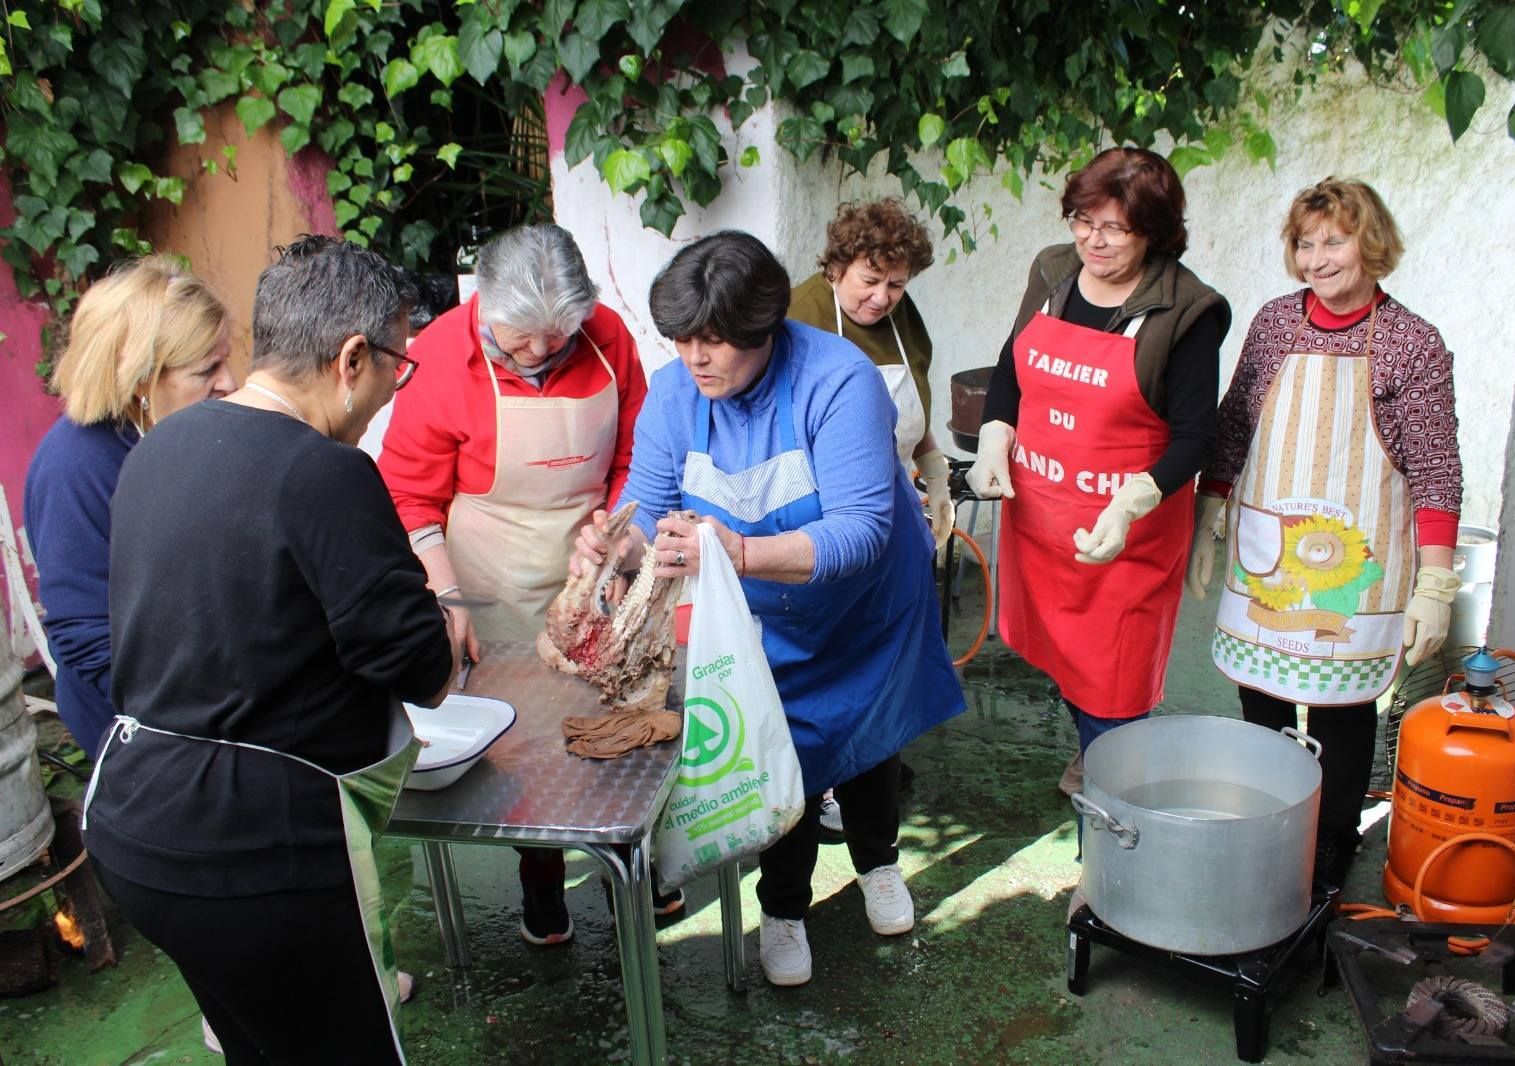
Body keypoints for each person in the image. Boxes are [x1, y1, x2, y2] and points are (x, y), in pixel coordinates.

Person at [83, 236, 459, 1064]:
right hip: (255, 851)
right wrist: (444, 623)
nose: (395, 388)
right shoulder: (325, 472)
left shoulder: (157, 448)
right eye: (399, 363)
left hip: (133, 821)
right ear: (352, 358)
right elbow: (423, 671)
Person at [572, 231, 965, 988]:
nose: (695, 358)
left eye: (714, 341)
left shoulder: (838, 381)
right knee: (781, 756)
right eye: (682, 339)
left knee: (868, 744)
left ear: (764, 329)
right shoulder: (674, 394)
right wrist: (618, 544)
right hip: (767, 618)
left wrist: (739, 553)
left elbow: (861, 528)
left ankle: (879, 864)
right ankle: (783, 909)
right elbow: (647, 507)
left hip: (865, 606)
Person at [375, 223, 666, 946]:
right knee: (526, 740)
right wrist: (447, 596)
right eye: (520, 337)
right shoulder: (440, 354)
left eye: (557, 336)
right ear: (484, 303)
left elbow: (638, 452)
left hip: (595, 554)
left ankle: (637, 858)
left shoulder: (608, 338)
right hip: (490, 572)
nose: (538, 351)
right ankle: (541, 875)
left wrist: (618, 535)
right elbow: (409, 494)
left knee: (626, 708)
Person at [1187, 177, 1462, 887]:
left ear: (1369, 243)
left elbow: (1435, 468)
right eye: (1305, 244)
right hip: (1270, 551)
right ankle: (1263, 816)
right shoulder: (1275, 323)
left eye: (1333, 242)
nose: (1317, 260)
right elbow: (1235, 423)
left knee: (1343, 707)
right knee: (1263, 695)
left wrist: (1436, 580)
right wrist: (1209, 512)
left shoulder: (1411, 342)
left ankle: (1333, 837)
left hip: (1356, 560)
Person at [967, 147, 1230, 794]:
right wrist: (995, 436)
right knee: (1064, 661)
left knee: (1116, 685)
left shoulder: (1186, 310)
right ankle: (1096, 754)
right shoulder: (1054, 271)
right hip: (1043, 523)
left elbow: (1197, 436)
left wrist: (1133, 501)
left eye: (1115, 227)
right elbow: (1012, 366)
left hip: (1126, 540)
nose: (1094, 240)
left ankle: (1113, 816)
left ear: (1155, 232)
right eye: (1083, 220)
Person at [787, 198, 954, 836]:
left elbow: (914, 408)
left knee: (888, 662)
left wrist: (933, 470)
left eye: (897, 284)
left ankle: (872, 778)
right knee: (834, 667)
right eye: (870, 279)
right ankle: (825, 785)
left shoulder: (903, 319)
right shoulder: (800, 319)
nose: (882, 298)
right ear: (836, 266)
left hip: (899, 514)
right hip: (824, 524)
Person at [23, 257, 234, 755]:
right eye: (207, 369)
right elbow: (88, 639)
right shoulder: (74, 468)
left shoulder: (168, 432)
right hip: (146, 736)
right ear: (141, 380)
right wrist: (201, 714)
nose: (230, 381)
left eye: (227, 360)